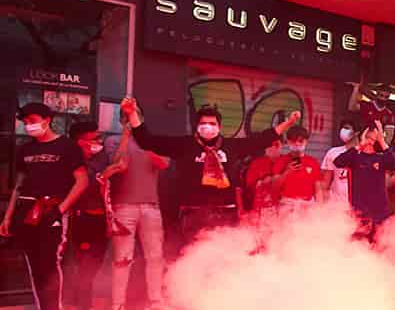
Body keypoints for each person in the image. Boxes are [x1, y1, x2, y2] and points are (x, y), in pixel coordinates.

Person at [120, 98, 301, 247]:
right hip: (193, 215)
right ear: (197, 126)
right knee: (194, 261)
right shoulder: (184, 145)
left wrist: (289, 123)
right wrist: (132, 114)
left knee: (223, 262)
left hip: (226, 215)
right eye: (203, 123)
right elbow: (147, 141)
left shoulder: (232, 147)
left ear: (219, 127)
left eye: (212, 123)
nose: (208, 127)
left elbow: (262, 140)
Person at [0, 103, 89, 310]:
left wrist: (60, 210)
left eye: (32, 121)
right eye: (25, 122)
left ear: (47, 120)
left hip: (53, 209)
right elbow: (18, 186)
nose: (28, 125)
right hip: (26, 212)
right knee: (34, 267)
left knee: (50, 265)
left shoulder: (67, 146)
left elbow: (82, 181)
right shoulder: (25, 149)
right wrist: (7, 217)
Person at [104, 123, 171, 310]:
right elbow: (118, 165)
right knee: (121, 258)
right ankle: (118, 304)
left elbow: (163, 164)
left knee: (155, 257)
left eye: (134, 117)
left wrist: (147, 143)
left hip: (151, 207)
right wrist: (126, 137)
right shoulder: (113, 141)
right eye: (126, 118)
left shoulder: (154, 142)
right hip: (123, 207)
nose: (130, 122)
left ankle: (155, 301)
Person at [63, 122, 113, 310]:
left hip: (101, 221)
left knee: (93, 266)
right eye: (93, 139)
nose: (99, 143)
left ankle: (83, 303)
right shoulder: (72, 165)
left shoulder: (101, 161)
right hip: (81, 220)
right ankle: (80, 304)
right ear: (79, 141)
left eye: (99, 138)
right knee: (84, 265)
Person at [334, 121, 395, 239]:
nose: (371, 141)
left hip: (380, 211)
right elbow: (338, 162)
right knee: (359, 245)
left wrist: (382, 141)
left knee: (380, 245)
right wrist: (360, 145)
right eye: (368, 137)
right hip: (360, 211)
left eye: (374, 138)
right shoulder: (355, 156)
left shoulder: (381, 157)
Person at [271, 126, 324, 212]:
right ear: (288, 142)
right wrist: (287, 172)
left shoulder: (313, 162)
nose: (297, 144)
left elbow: (318, 190)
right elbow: (274, 187)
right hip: (287, 204)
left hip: (308, 206)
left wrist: (320, 209)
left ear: (306, 142)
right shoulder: (280, 161)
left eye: (300, 141)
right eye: (293, 141)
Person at [322, 119, 358, 206]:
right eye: (342, 128)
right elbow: (326, 182)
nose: (343, 131)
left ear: (356, 132)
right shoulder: (332, 152)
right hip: (336, 204)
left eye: (347, 128)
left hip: (356, 205)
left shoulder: (363, 152)